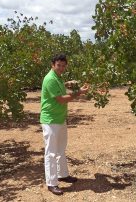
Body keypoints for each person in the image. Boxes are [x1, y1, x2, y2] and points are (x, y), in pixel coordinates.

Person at [40, 54, 89, 195]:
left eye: (63, 65)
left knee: (61, 149)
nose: (61, 68)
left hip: (60, 118)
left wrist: (68, 85)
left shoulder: (58, 77)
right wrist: (78, 92)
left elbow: (61, 91)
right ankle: (51, 183)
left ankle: (63, 174)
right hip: (50, 120)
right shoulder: (50, 79)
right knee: (51, 153)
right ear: (52, 65)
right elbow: (61, 99)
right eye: (58, 65)